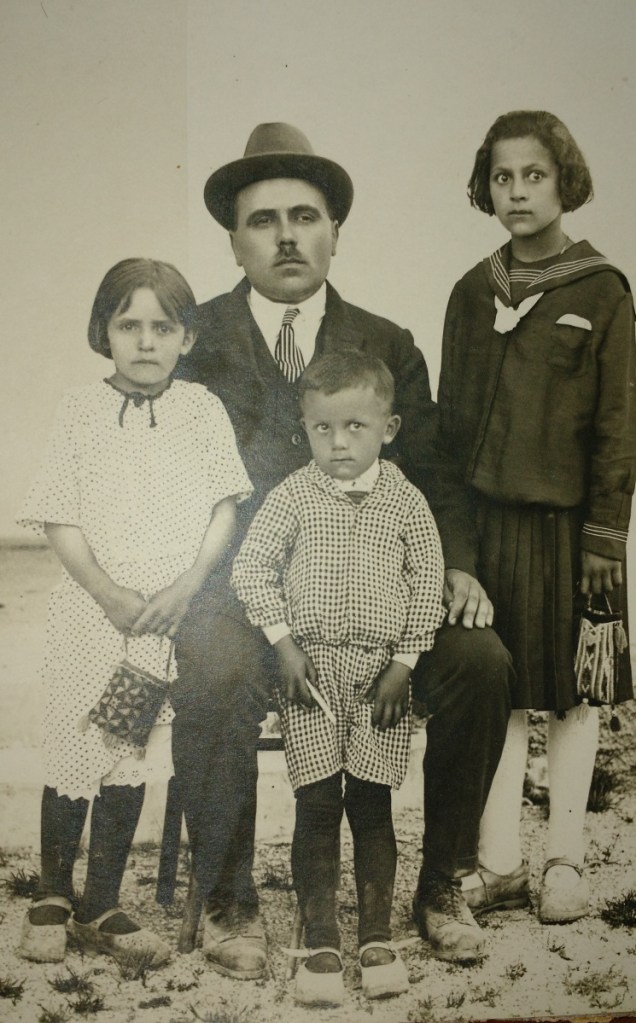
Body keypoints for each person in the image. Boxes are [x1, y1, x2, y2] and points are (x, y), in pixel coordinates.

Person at [176, 121, 514, 969]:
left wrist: (459, 565)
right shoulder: (197, 342)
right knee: (213, 668)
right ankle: (229, 902)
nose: (287, 235)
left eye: (305, 215)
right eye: (264, 220)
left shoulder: (386, 339)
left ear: (335, 231)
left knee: (481, 660)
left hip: (373, 602)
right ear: (234, 238)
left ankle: (441, 881)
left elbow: (432, 470)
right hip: (244, 594)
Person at [17, 258, 252, 966]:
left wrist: (186, 586)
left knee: (126, 748)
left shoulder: (201, 409)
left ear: (186, 338)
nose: (146, 341)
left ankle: (104, 900)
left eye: (163, 326)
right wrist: (107, 592)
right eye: (129, 325)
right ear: (105, 332)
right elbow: (58, 516)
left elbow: (224, 507)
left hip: (165, 617)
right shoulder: (79, 410)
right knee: (75, 744)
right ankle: (53, 891)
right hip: (95, 613)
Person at [435, 110, 635, 925]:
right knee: (506, 693)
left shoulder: (602, 290)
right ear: (485, 185)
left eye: (535, 175)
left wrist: (604, 537)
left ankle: (563, 862)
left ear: (566, 181)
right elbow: (451, 434)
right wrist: (459, 548)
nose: (517, 191)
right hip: (489, 532)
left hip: (573, 534)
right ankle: (501, 863)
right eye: (502, 177)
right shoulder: (470, 291)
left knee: (575, 698)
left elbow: (621, 428)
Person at [232, 350, 446, 1004]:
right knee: (318, 802)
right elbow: (251, 569)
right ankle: (321, 937)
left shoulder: (406, 501)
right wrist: (282, 644)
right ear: (305, 429)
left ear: (390, 426)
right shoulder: (292, 495)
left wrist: (404, 664)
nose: (339, 442)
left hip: (381, 675)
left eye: (355, 426)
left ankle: (377, 934)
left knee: (373, 804)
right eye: (322, 428)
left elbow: (428, 585)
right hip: (310, 671)